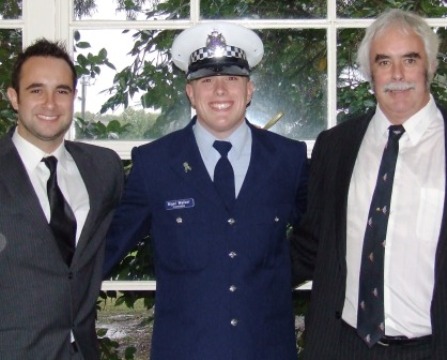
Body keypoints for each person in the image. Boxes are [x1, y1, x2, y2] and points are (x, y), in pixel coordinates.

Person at [104, 22, 308, 360]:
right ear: (190, 92)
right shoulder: (155, 163)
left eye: (231, 79)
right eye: (206, 81)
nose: (220, 91)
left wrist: (276, 272)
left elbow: (321, 237)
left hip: (267, 349)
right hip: (185, 350)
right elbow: (109, 246)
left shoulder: (288, 159)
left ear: (249, 89)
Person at [291, 8, 447, 360]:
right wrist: (234, 276)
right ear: (369, 73)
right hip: (342, 347)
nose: (397, 75)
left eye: (409, 60)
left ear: (430, 66)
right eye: (383, 62)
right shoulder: (335, 146)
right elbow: (309, 246)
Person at [0, 39, 124, 359]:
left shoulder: (104, 168)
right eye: (36, 90)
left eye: (62, 91)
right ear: (14, 97)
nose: (50, 103)